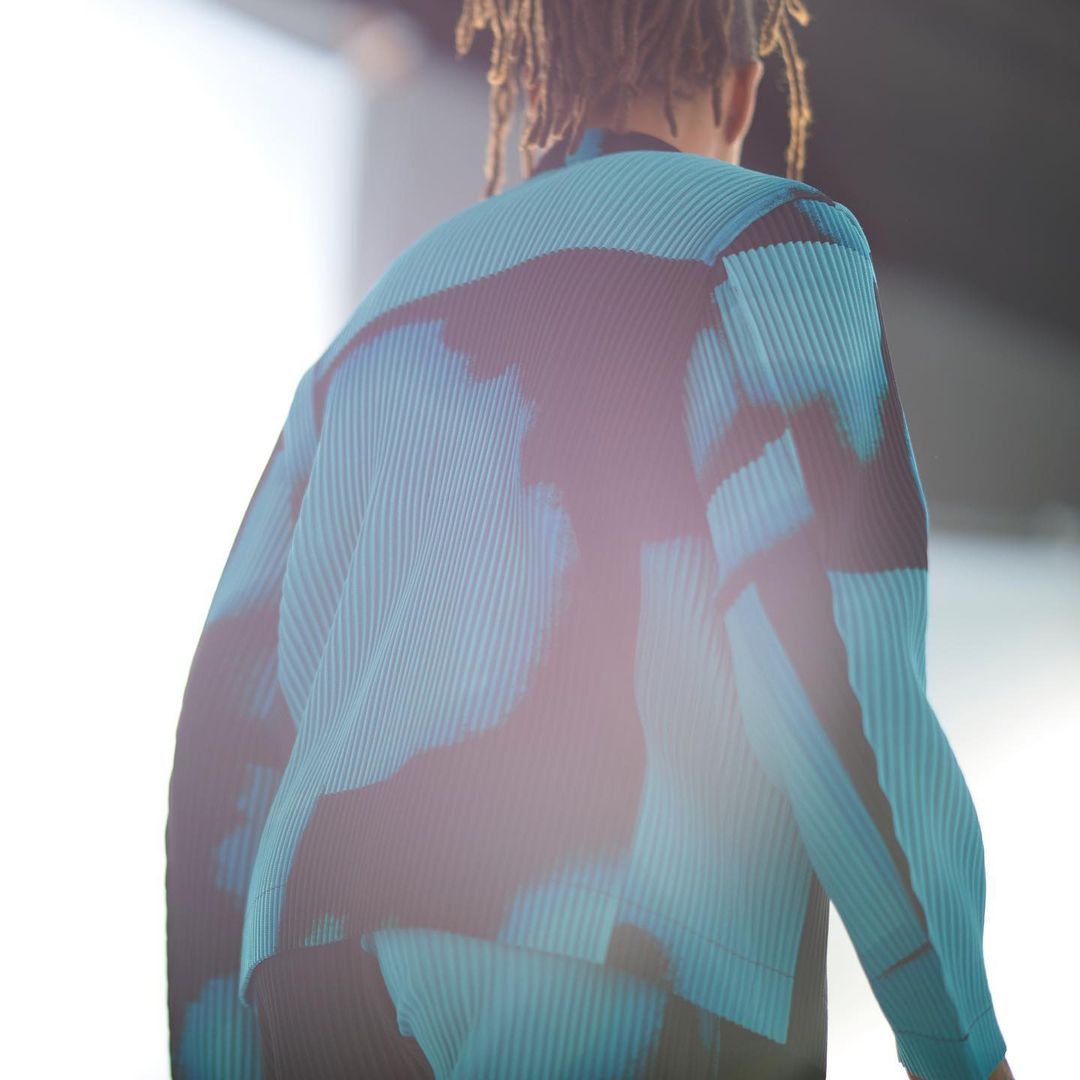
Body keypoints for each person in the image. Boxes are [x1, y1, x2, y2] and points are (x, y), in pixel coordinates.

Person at [165, 2, 1014, 1077]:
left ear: (544, 73)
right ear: (741, 90)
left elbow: (232, 741)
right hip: (621, 953)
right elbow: (841, 678)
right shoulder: (766, 237)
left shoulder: (374, 321)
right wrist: (958, 1044)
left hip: (316, 975)